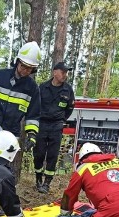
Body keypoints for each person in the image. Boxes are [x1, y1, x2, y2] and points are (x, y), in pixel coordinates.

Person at [34, 61, 75, 193]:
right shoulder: (43, 87)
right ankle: (38, 178)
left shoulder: (68, 90)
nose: (65, 75)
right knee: (39, 153)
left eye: (66, 73)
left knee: (52, 155)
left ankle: (47, 183)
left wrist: (62, 119)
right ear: (54, 72)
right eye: (63, 72)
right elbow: (35, 105)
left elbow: (70, 108)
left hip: (56, 125)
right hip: (42, 124)